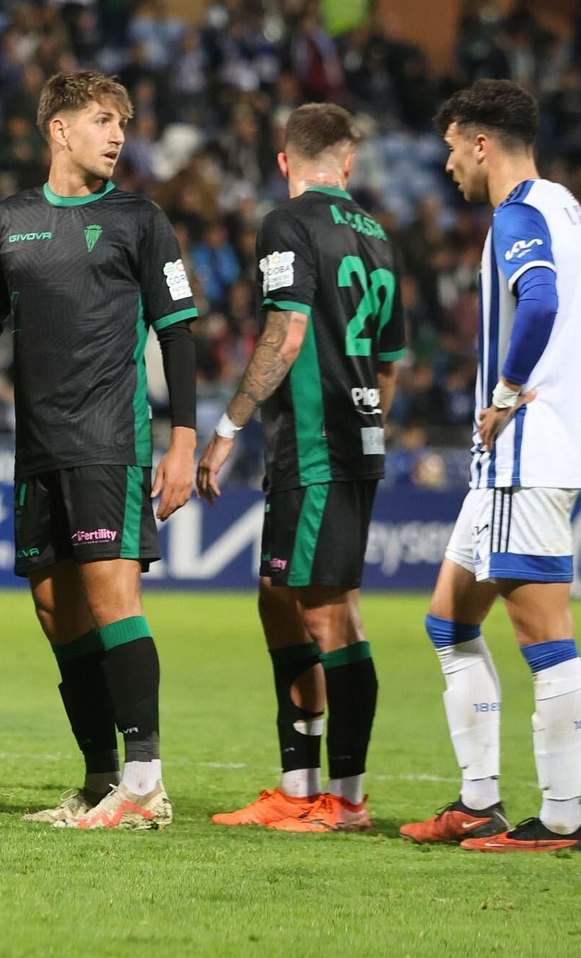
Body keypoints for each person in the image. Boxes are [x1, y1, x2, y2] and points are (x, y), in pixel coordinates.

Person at [0, 71, 198, 831]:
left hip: (109, 438)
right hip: (37, 445)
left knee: (113, 598)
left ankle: (145, 782)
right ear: (59, 128)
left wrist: (183, 437)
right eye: (104, 120)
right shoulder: (10, 220)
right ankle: (103, 778)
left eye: (123, 124)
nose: (118, 135)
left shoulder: (140, 219)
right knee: (54, 607)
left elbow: (177, 331)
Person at [400, 80, 581, 853]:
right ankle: (478, 801)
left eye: (454, 148)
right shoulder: (568, 208)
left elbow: (541, 301)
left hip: (521, 457)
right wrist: (563, 374)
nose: (450, 164)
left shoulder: (518, 213)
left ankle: (560, 819)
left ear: (482, 141)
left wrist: (508, 393)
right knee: (449, 621)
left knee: (544, 637)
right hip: (517, 458)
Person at [197, 104, 404, 832]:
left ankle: (344, 802)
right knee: (276, 595)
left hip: (318, 446)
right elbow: (391, 361)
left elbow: (284, 335)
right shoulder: (379, 236)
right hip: (347, 441)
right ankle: (298, 784)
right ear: (347, 163)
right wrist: (371, 427)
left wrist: (226, 428)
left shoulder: (286, 223)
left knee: (328, 612)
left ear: (285, 161)